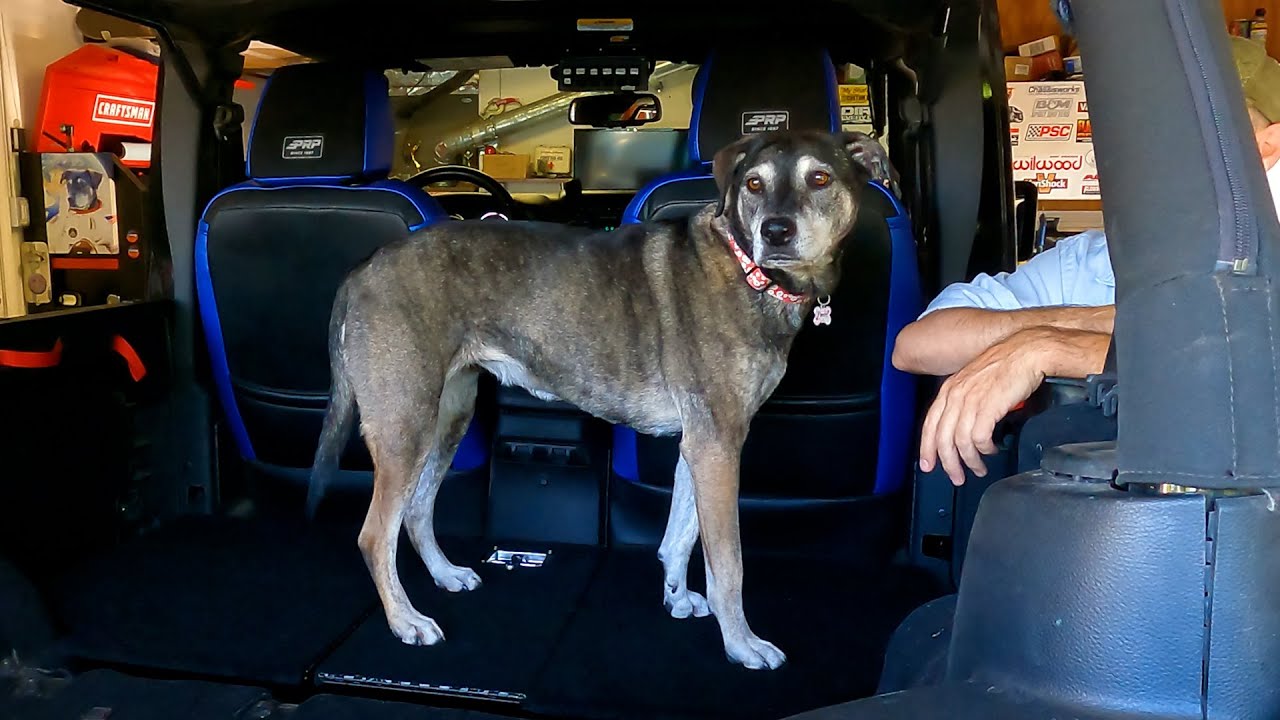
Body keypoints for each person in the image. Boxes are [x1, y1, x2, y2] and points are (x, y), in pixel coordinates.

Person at [894, 36, 1280, 486]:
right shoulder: (1095, 260)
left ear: (1266, 147)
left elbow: (1249, 368)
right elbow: (917, 345)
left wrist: (1051, 347)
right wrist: (1078, 324)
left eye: (1177, 129)